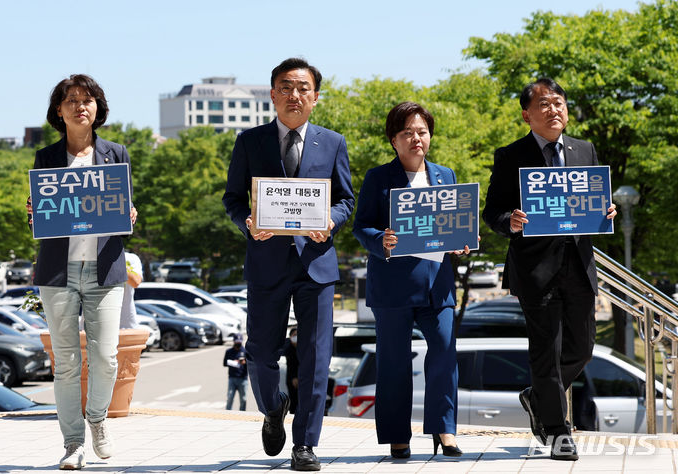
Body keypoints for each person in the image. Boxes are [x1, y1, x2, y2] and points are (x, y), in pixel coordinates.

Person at [223, 57, 354, 471]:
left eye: (303, 88)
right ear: (272, 94)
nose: (294, 95)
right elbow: (232, 199)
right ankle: (273, 406)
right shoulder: (250, 141)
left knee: (316, 358)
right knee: (261, 353)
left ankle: (306, 445)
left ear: (315, 97)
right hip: (266, 262)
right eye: (285, 87)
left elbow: (345, 199)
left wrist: (330, 220)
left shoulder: (332, 142)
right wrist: (247, 222)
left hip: (316, 263)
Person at [483, 78, 616, 461]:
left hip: (578, 265)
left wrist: (606, 211)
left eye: (559, 103)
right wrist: (512, 220)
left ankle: (538, 394)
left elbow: (595, 201)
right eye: (543, 104)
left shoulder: (584, 149)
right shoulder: (511, 155)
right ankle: (559, 432)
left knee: (583, 348)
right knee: (546, 351)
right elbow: (493, 212)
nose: (553, 110)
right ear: (527, 114)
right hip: (534, 269)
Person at [27, 74, 138, 470]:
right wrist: (34, 213)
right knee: (67, 361)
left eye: (87, 99)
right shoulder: (46, 158)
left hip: (105, 269)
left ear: (98, 108)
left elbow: (122, 211)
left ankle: (98, 421)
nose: (80, 106)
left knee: (107, 357)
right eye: (71, 100)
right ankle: (73, 443)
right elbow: (42, 215)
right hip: (58, 272)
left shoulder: (116, 153)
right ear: (59, 110)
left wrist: (130, 215)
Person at [353, 102, 469, 459]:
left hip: (438, 285)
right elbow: (362, 227)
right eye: (407, 133)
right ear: (393, 140)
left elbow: (454, 223)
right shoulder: (378, 178)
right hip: (393, 287)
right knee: (393, 363)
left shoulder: (445, 175)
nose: (416, 138)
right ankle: (396, 435)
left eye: (422, 131)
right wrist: (380, 241)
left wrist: (461, 242)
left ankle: (444, 429)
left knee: (445, 355)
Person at [223, 334, 249, 411]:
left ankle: (242, 414)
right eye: (236, 342)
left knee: (243, 399)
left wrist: (245, 362)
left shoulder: (245, 351)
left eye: (239, 342)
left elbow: (251, 364)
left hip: (243, 379)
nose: (238, 343)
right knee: (230, 397)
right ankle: (228, 413)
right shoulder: (229, 351)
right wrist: (233, 362)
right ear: (234, 342)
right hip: (232, 378)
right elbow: (224, 363)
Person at [119, 251, 143, 329]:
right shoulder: (90, 256)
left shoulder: (131, 258)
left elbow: (136, 282)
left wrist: (115, 260)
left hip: (125, 325)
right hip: (92, 325)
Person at [284, 327, 299, 414]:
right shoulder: (289, 349)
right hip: (292, 379)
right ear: (290, 337)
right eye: (294, 335)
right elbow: (291, 366)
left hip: (301, 377)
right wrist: (294, 377)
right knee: (293, 400)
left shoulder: (301, 349)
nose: (296, 337)